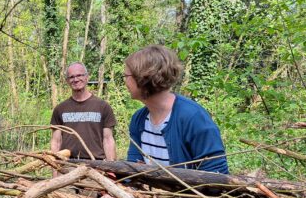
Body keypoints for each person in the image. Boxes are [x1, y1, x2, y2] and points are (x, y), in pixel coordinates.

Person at [124, 45, 229, 174]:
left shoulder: (193, 117)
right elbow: (132, 169)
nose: (125, 82)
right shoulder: (139, 120)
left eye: (126, 76)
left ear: (143, 77)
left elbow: (216, 174)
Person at [50, 62, 117, 160]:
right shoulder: (60, 109)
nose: (75, 79)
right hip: (67, 165)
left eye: (79, 75)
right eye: (71, 77)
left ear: (87, 77)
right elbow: (56, 141)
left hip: (96, 165)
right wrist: (55, 171)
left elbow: (108, 140)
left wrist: (111, 169)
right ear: (67, 81)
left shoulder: (103, 107)